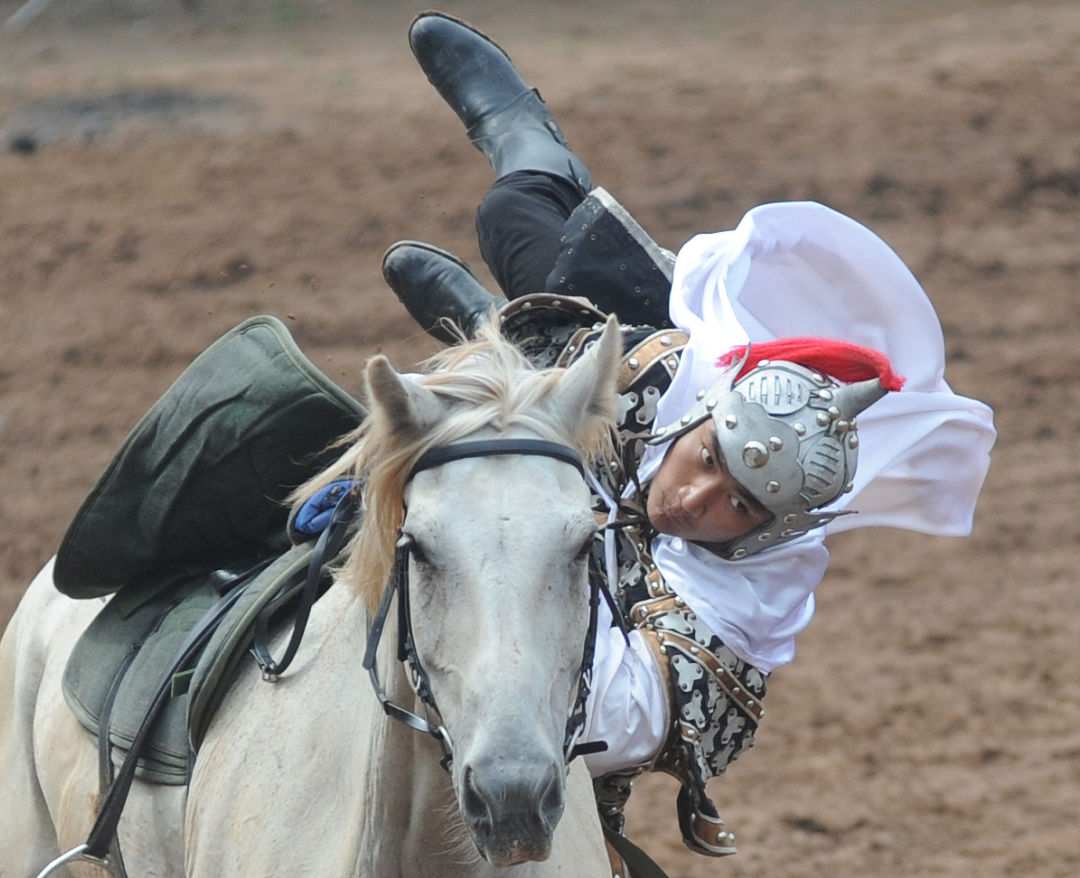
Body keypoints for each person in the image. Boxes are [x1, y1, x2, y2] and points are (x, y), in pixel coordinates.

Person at [379, 11, 997, 863]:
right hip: (608, 367)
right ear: (707, 416)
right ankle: (528, 147)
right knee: (514, 217)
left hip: (598, 671)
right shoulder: (673, 379)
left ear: (772, 529)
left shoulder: (742, 612)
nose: (694, 500)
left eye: (737, 506)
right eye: (708, 460)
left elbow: (607, 717)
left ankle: (484, 334)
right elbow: (606, 378)